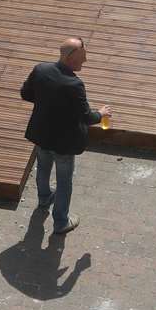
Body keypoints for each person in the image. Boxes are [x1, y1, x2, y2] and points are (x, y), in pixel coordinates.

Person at [20, 37, 106, 236]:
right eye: (82, 58)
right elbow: (86, 117)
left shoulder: (41, 69)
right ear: (70, 58)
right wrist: (101, 114)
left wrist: (45, 103)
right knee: (64, 180)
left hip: (41, 134)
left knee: (43, 167)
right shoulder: (74, 84)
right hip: (65, 142)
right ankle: (61, 221)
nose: (85, 61)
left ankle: (43, 200)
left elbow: (26, 94)